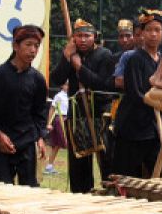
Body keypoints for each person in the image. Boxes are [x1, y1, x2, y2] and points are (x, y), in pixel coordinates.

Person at [50, 19, 116, 192]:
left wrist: (79, 67)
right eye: (79, 36)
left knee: (107, 158)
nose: (83, 39)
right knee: (78, 163)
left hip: (100, 114)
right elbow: (56, 79)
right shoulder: (71, 54)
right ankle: (81, 193)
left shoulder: (105, 55)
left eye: (87, 35)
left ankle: (110, 194)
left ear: (94, 37)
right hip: (77, 115)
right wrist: (66, 57)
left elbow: (103, 84)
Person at [0, 24, 47, 186]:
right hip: (2, 143)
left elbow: (39, 113)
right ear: (15, 46)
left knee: (29, 189)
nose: (33, 50)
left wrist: (40, 137)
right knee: (2, 189)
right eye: (28, 44)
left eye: (36, 46)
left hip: (27, 141)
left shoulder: (38, 80)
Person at [113, 11, 162, 178]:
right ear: (142, 33)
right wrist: (159, 104)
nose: (153, 34)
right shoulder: (135, 59)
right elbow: (135, 93)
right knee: (127, 175)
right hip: (133, 125)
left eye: (158, 30)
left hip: (153, 126)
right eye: (149, 30)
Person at [44, 88, 68, 175]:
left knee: (57, 145)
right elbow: (52, 109)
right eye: (66, 84)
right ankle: (49, 166)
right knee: (59, 143)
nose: (68, 86)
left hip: (68, 119)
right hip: (60, 119)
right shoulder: (59, 96)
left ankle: (49, 166)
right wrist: (49, 123)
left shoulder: (71, 95)